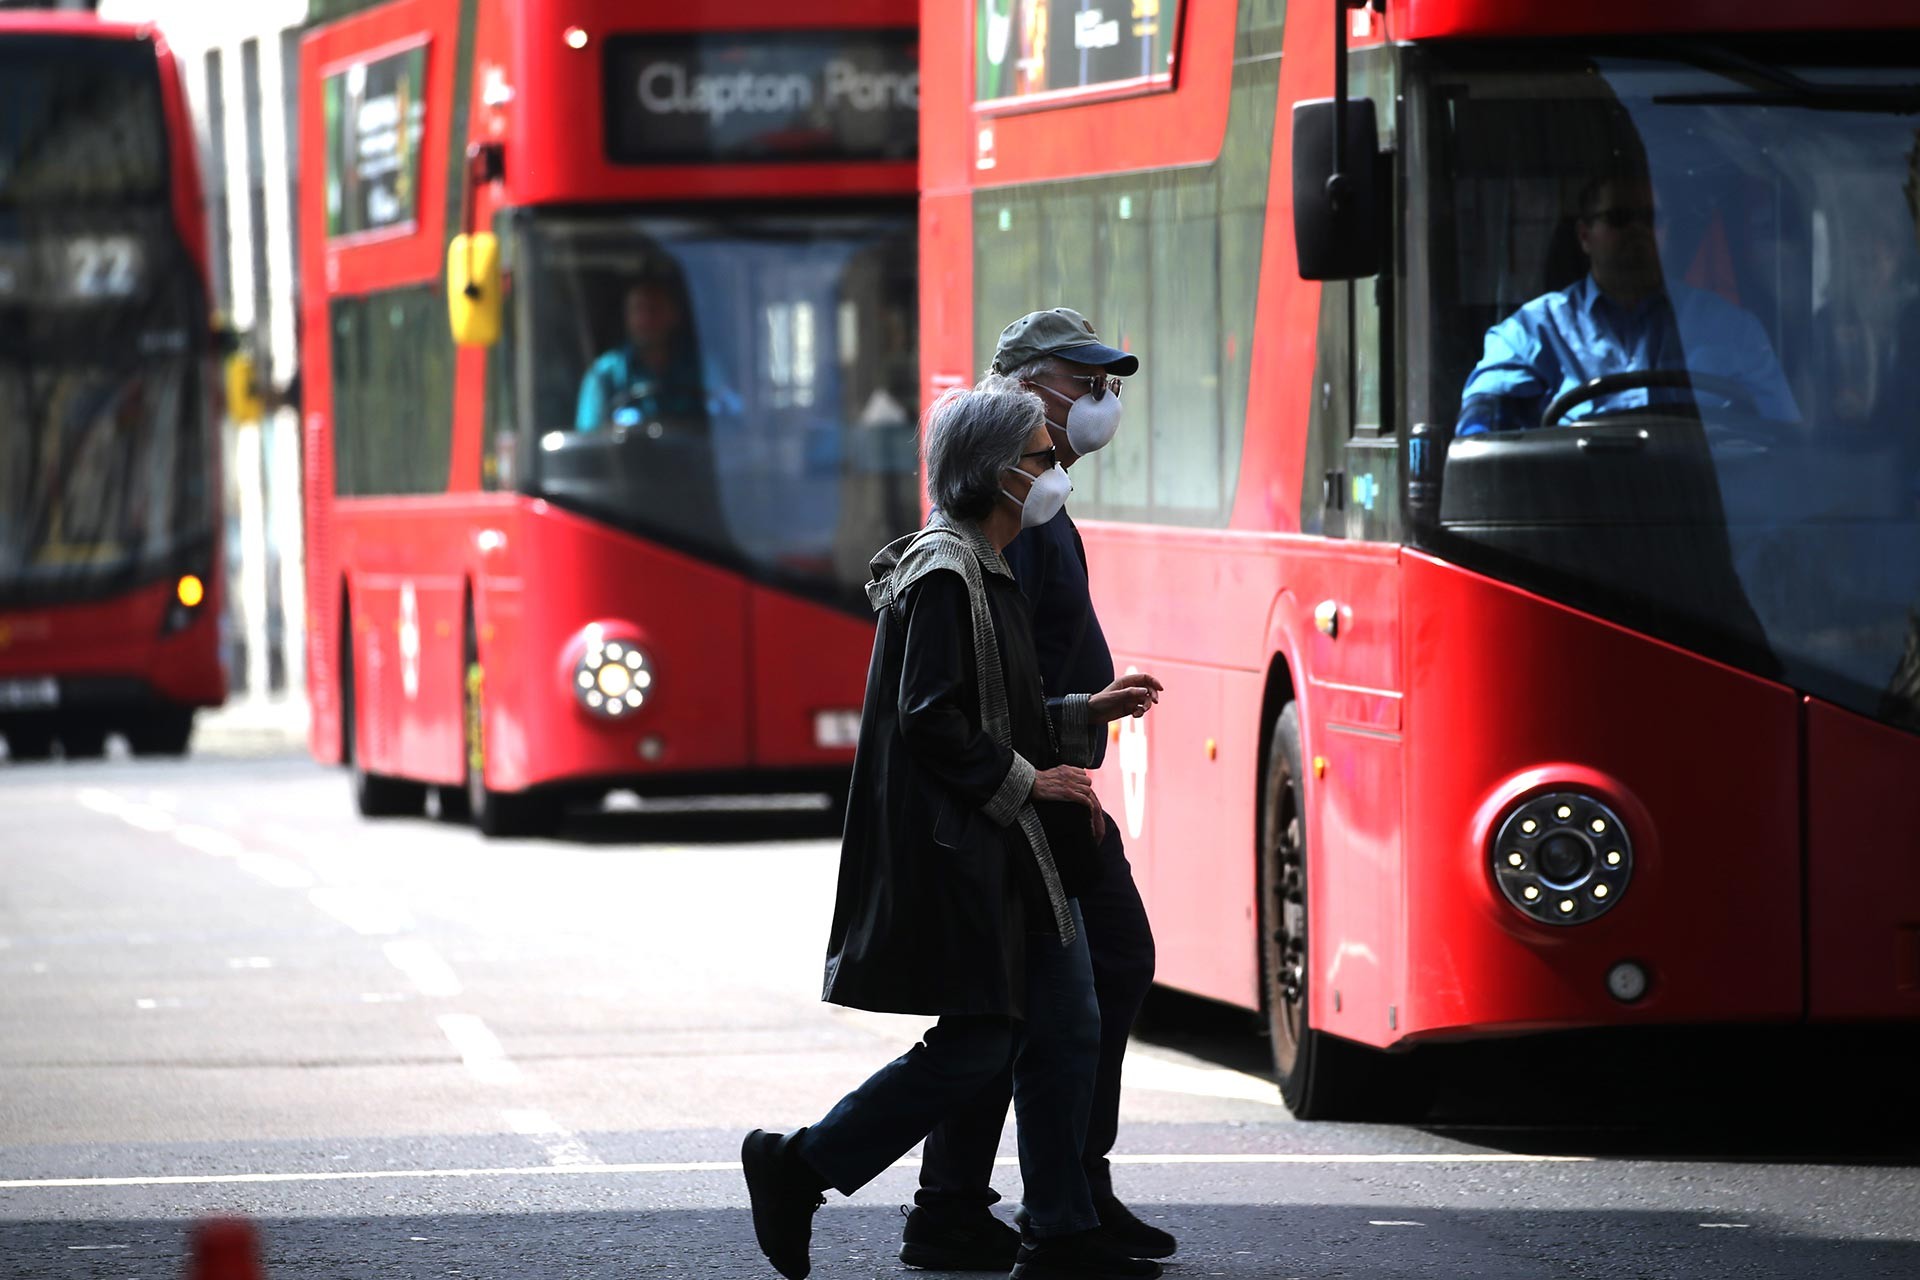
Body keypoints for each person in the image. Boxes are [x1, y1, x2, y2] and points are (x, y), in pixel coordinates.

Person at [741, 386, 1167, 1280]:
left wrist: (1081, 713)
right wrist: (1030, 778)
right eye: (1041, 459)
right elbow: (932, 719)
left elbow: (993, 706)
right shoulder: (947, 574)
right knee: (987, 1041)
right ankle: (801, 1166)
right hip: (973, 854)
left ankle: (1060, 1230)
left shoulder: (986, 566)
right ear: (992, 472)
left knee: (1062, 1026)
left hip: (1013, 851)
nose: (1055, 475)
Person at [897, 308, 1175, 1273]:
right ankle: (1056, 1204)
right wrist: (1046, 752)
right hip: (1028, 793)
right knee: (1059, 994)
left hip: (1050, 778)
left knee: (1019, 1005)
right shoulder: (1001, 509)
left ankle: (974, 1206)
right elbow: (961, 690)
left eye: (1105, 381)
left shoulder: (1045, 498)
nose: (1099, 400)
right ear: (1018, 385)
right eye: (1079, 379)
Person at [1457, 171, 1798, 435]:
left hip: (1707, 518)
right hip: (1573, 516)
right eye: (1619, 218)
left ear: (1667, 232)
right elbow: (1480, 434)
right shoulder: (1532, 331)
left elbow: (1784, 440)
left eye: (1651, 219)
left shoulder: (1732, 329)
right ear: (1585, 235)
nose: (1638, 231)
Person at [573, 275, 709, 431]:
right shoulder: (604, 374)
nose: (646, 319)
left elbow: (729, 420)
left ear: (674, 315)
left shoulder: (703, 367)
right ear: (627, 317)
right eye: (638, 309)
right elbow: (589, 439)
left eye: (654, 309)